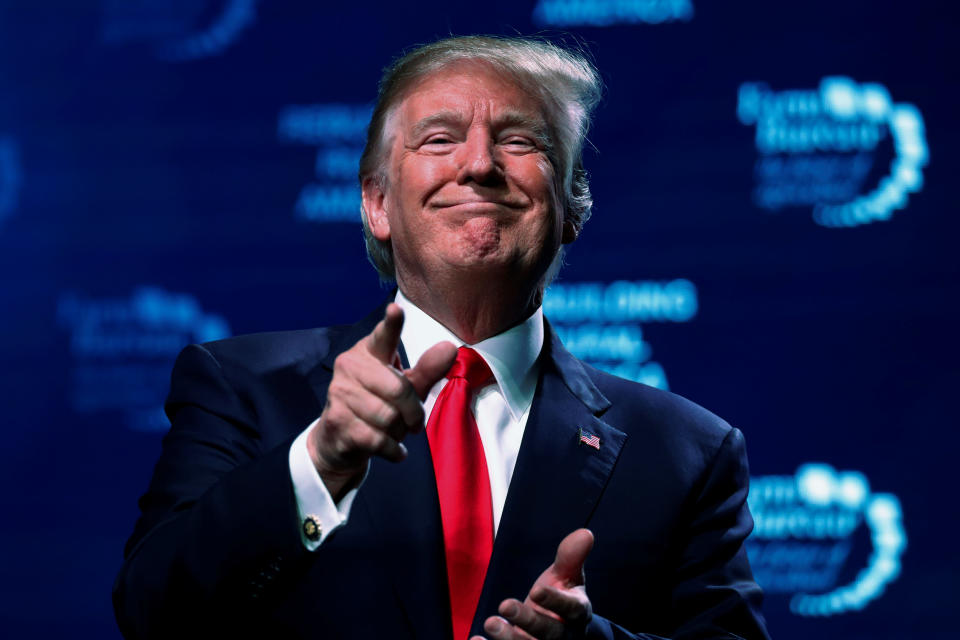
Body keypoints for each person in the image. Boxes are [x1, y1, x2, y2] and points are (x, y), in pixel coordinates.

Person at [114, 36, 770, 640]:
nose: (479, 165)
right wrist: (319, 464)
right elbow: (152, 614)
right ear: (376, 203)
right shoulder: (242, 387)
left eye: (520, 141)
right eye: (438, 139)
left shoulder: (691, 453)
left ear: (572, 208)